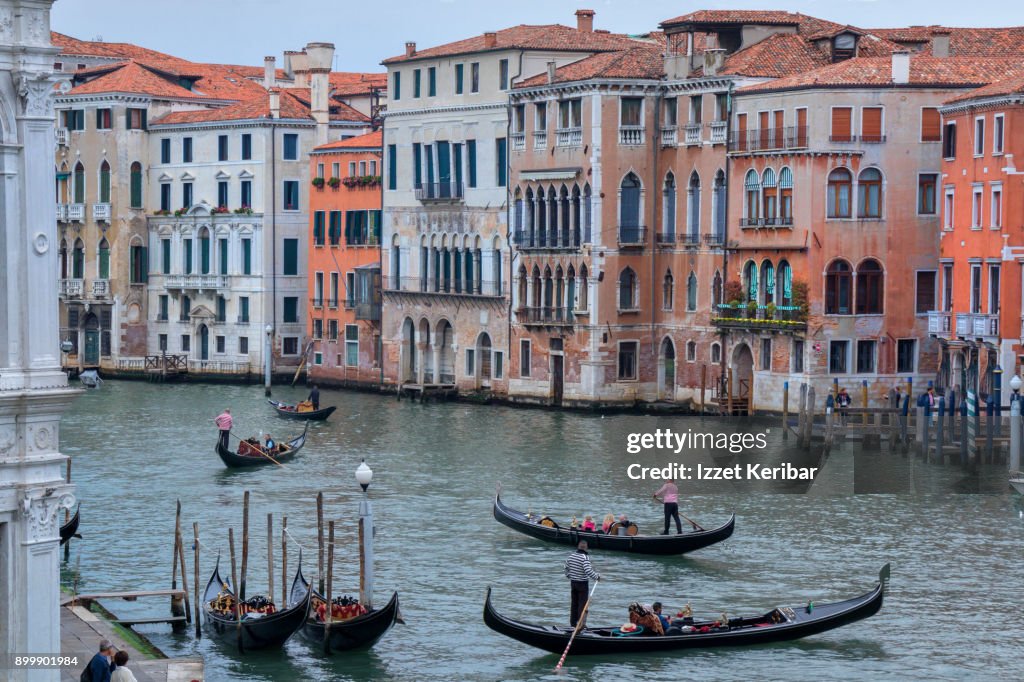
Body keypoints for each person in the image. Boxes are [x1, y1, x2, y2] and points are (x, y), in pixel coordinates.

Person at [564, 540, 600, 627]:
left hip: (573, 583)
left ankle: (573, 623)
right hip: (582, 584)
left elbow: (566, 568)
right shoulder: (585, 557)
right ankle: (580, 624)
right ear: (586, 547)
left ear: (578, 547)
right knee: (582, 605)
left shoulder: (571, 556)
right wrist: (596, 577)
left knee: (574, 604)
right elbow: (588, 570)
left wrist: (570, 576)